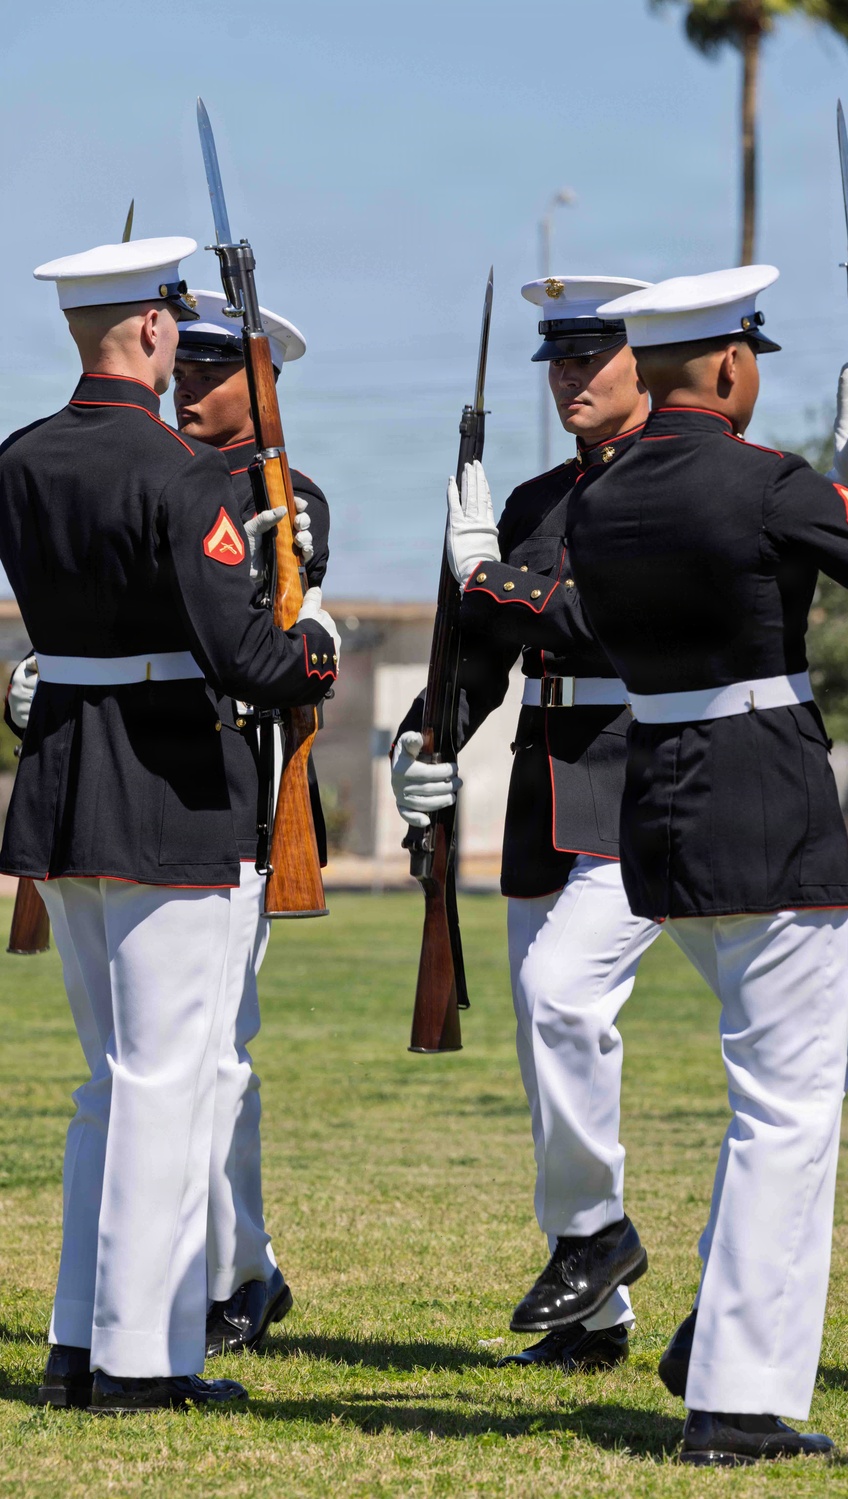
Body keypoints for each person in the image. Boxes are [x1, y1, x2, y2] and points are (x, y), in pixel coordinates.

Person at [390, 273, 848, 1373]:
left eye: (589, 357)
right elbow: (476, 662)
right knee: (545, 1033)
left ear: (646, 365)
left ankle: (603, 1239)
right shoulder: (528, 500)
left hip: (650, 778)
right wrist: (421, 741)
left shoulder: (678, 491)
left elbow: (598, 618)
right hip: (546, 791)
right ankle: (594, 1307)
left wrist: (493, 577)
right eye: (555, 360)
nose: (568, 376)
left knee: (568, 999)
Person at [560, 265, 848, 1463]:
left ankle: (719, 1349)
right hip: (762, 803)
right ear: (733, 366)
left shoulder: (597, 502)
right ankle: (738, 1395)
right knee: (787, 1108)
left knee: (767, 1096)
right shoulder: (766, 484)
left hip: (658, 806)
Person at [0, 237, 339, 1413]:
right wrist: (312, 657)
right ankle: (144, 1358)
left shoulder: (22, 457)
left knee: (107, 1082)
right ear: (152, 330)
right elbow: (242, 652)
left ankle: (76, 1340)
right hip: (168, 788)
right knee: (166, 1079)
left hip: (63, 787)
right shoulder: (181, 472)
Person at [173, 291, 330, 1356]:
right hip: (140, 779)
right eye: (177, 362)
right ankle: (228, 1265)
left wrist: (295, 568)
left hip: (233, 783)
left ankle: (237, 1271)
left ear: (261, 383)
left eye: (210, 368)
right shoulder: (152, 471)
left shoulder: (284, 494)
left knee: (217, 1045)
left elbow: (284, 639)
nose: (185, 382)